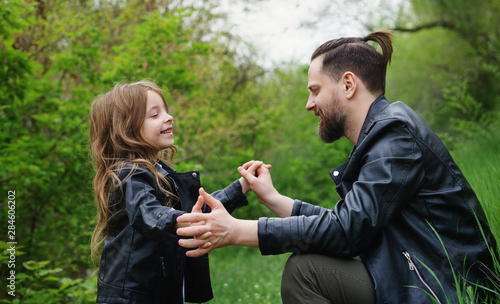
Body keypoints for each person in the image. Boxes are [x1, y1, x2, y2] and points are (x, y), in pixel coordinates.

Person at [176, 31, 498, 304]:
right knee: (310, 263)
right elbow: (348, 225)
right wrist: (273, 199)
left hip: (450, 287)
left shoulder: (394, 136)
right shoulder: (382, 135)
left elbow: (345, 232)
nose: (309, 104)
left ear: (348, 85)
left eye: (315, 90)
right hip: (414, 270)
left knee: (305, 272)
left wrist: (237, 231)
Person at [89, 80, 255, 303]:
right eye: (155, 114)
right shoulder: (127, 175)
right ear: (127, 128)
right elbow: (147, 213)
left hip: (161, 291)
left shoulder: (161, 172)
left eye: (165, 111)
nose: (169, 117)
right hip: (131, 297)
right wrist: (179, 220)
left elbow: (196, 211)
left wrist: (242, 186)